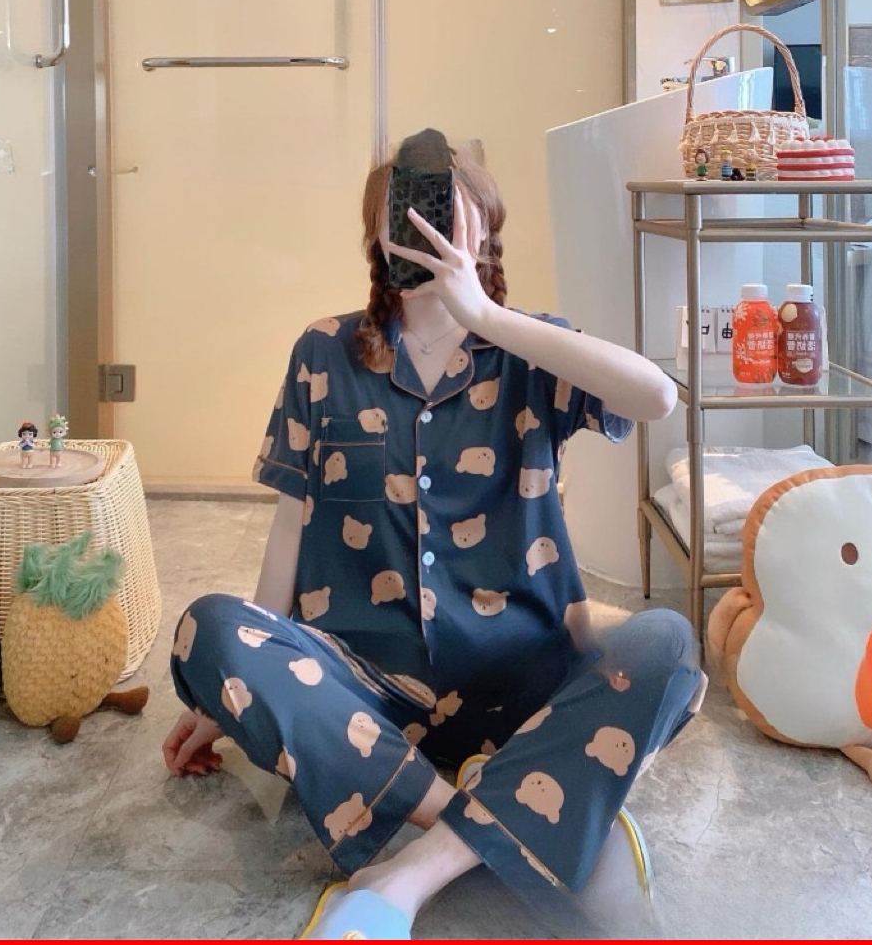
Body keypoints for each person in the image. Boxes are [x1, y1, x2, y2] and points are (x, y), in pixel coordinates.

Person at [163, 129, 705, 939]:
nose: (425, 230)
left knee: (668, 646)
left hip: (526, 682)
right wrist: (237, 687)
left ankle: (413, 872)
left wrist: (483, 313)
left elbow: (656, 398)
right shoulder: (323, 352)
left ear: (484, 230)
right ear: (377, 234)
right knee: (208, 627)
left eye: (446, 213)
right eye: (406, 213)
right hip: (363, 688)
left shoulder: (534, 349)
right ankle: (511, 815)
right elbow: (288, 524)